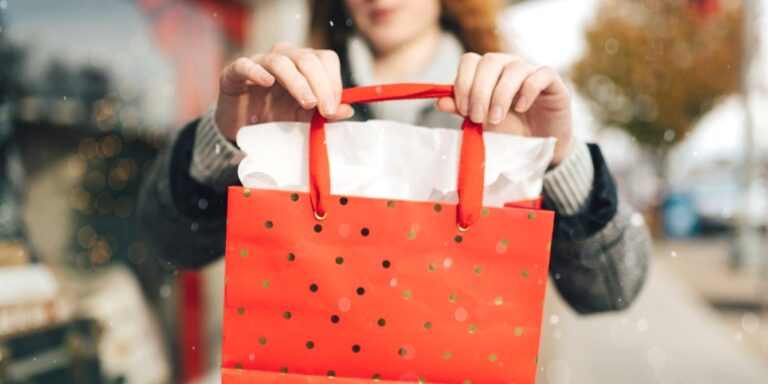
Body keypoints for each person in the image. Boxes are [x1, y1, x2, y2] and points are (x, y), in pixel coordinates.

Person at [137, 0, 651, 314]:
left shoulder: (514, 104)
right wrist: (229, 141)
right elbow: (170, 244)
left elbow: (614, 290)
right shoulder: (291, 103)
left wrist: (558, 159)